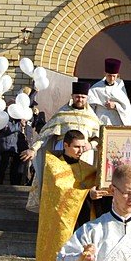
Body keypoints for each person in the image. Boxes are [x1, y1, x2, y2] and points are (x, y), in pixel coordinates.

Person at [33, 129, 99, 261]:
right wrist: (87, 193)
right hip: (59, 230)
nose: (81, 151)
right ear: (67, 146)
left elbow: (97, 181)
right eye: (77, 147)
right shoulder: (53, 164)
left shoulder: (87, 168)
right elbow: (62, 192)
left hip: (80, 227)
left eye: (84, 146)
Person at [24, 81, 101, 211]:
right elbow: (45, 135)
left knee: (80, 185)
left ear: (87, 98)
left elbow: (100, 137)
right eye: (77, 96)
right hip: (62, 155)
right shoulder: (62, 113)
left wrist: (91, 144)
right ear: (72, 96)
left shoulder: (92, 117)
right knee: (62, 184)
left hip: (84, 156)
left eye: (83, 97)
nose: (80, 99)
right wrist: (33, 149)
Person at [87, 57, 131, 126]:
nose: (112, 78)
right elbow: (89, 108)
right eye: (109, 76)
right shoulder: (95, 88)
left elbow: (127, 109)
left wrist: (115, 106)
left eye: (114, 76)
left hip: (117, 123)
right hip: (101, 122)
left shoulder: (120, 89)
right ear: (105, 74)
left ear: (117, 75)